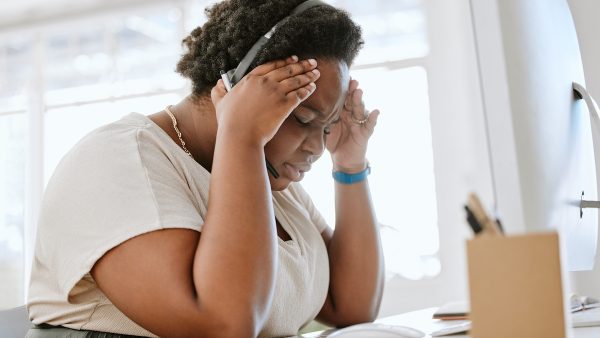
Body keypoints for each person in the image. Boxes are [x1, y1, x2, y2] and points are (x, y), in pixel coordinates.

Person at [26, 0, 384, 337]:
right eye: (304, 118)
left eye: (327, 127)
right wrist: (241, 134)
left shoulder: (268, 180)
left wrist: (349, 163)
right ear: (240, 85)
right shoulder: (116, 160)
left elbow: (351, 307)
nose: (317, 147)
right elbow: (224, 325)